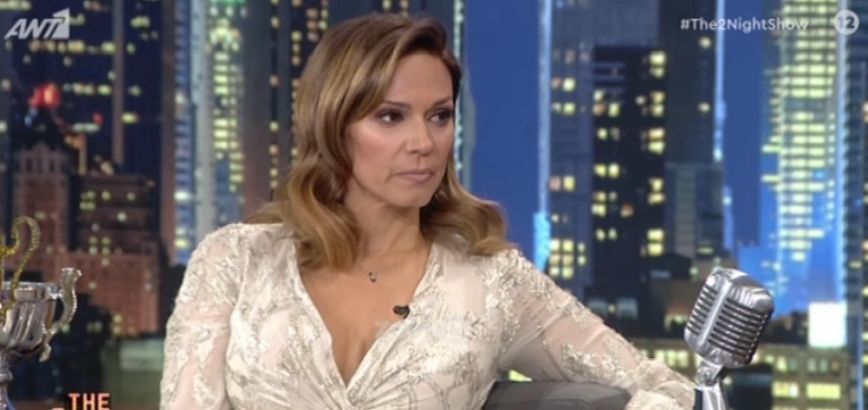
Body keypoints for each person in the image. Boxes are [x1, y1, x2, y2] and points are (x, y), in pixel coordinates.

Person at [160, 13, 695, 410]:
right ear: (334, 125)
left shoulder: (494, 283)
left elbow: (664, 388)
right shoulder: (235, 261)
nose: (424, 142)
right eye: (390, 117)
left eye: (439, 116)